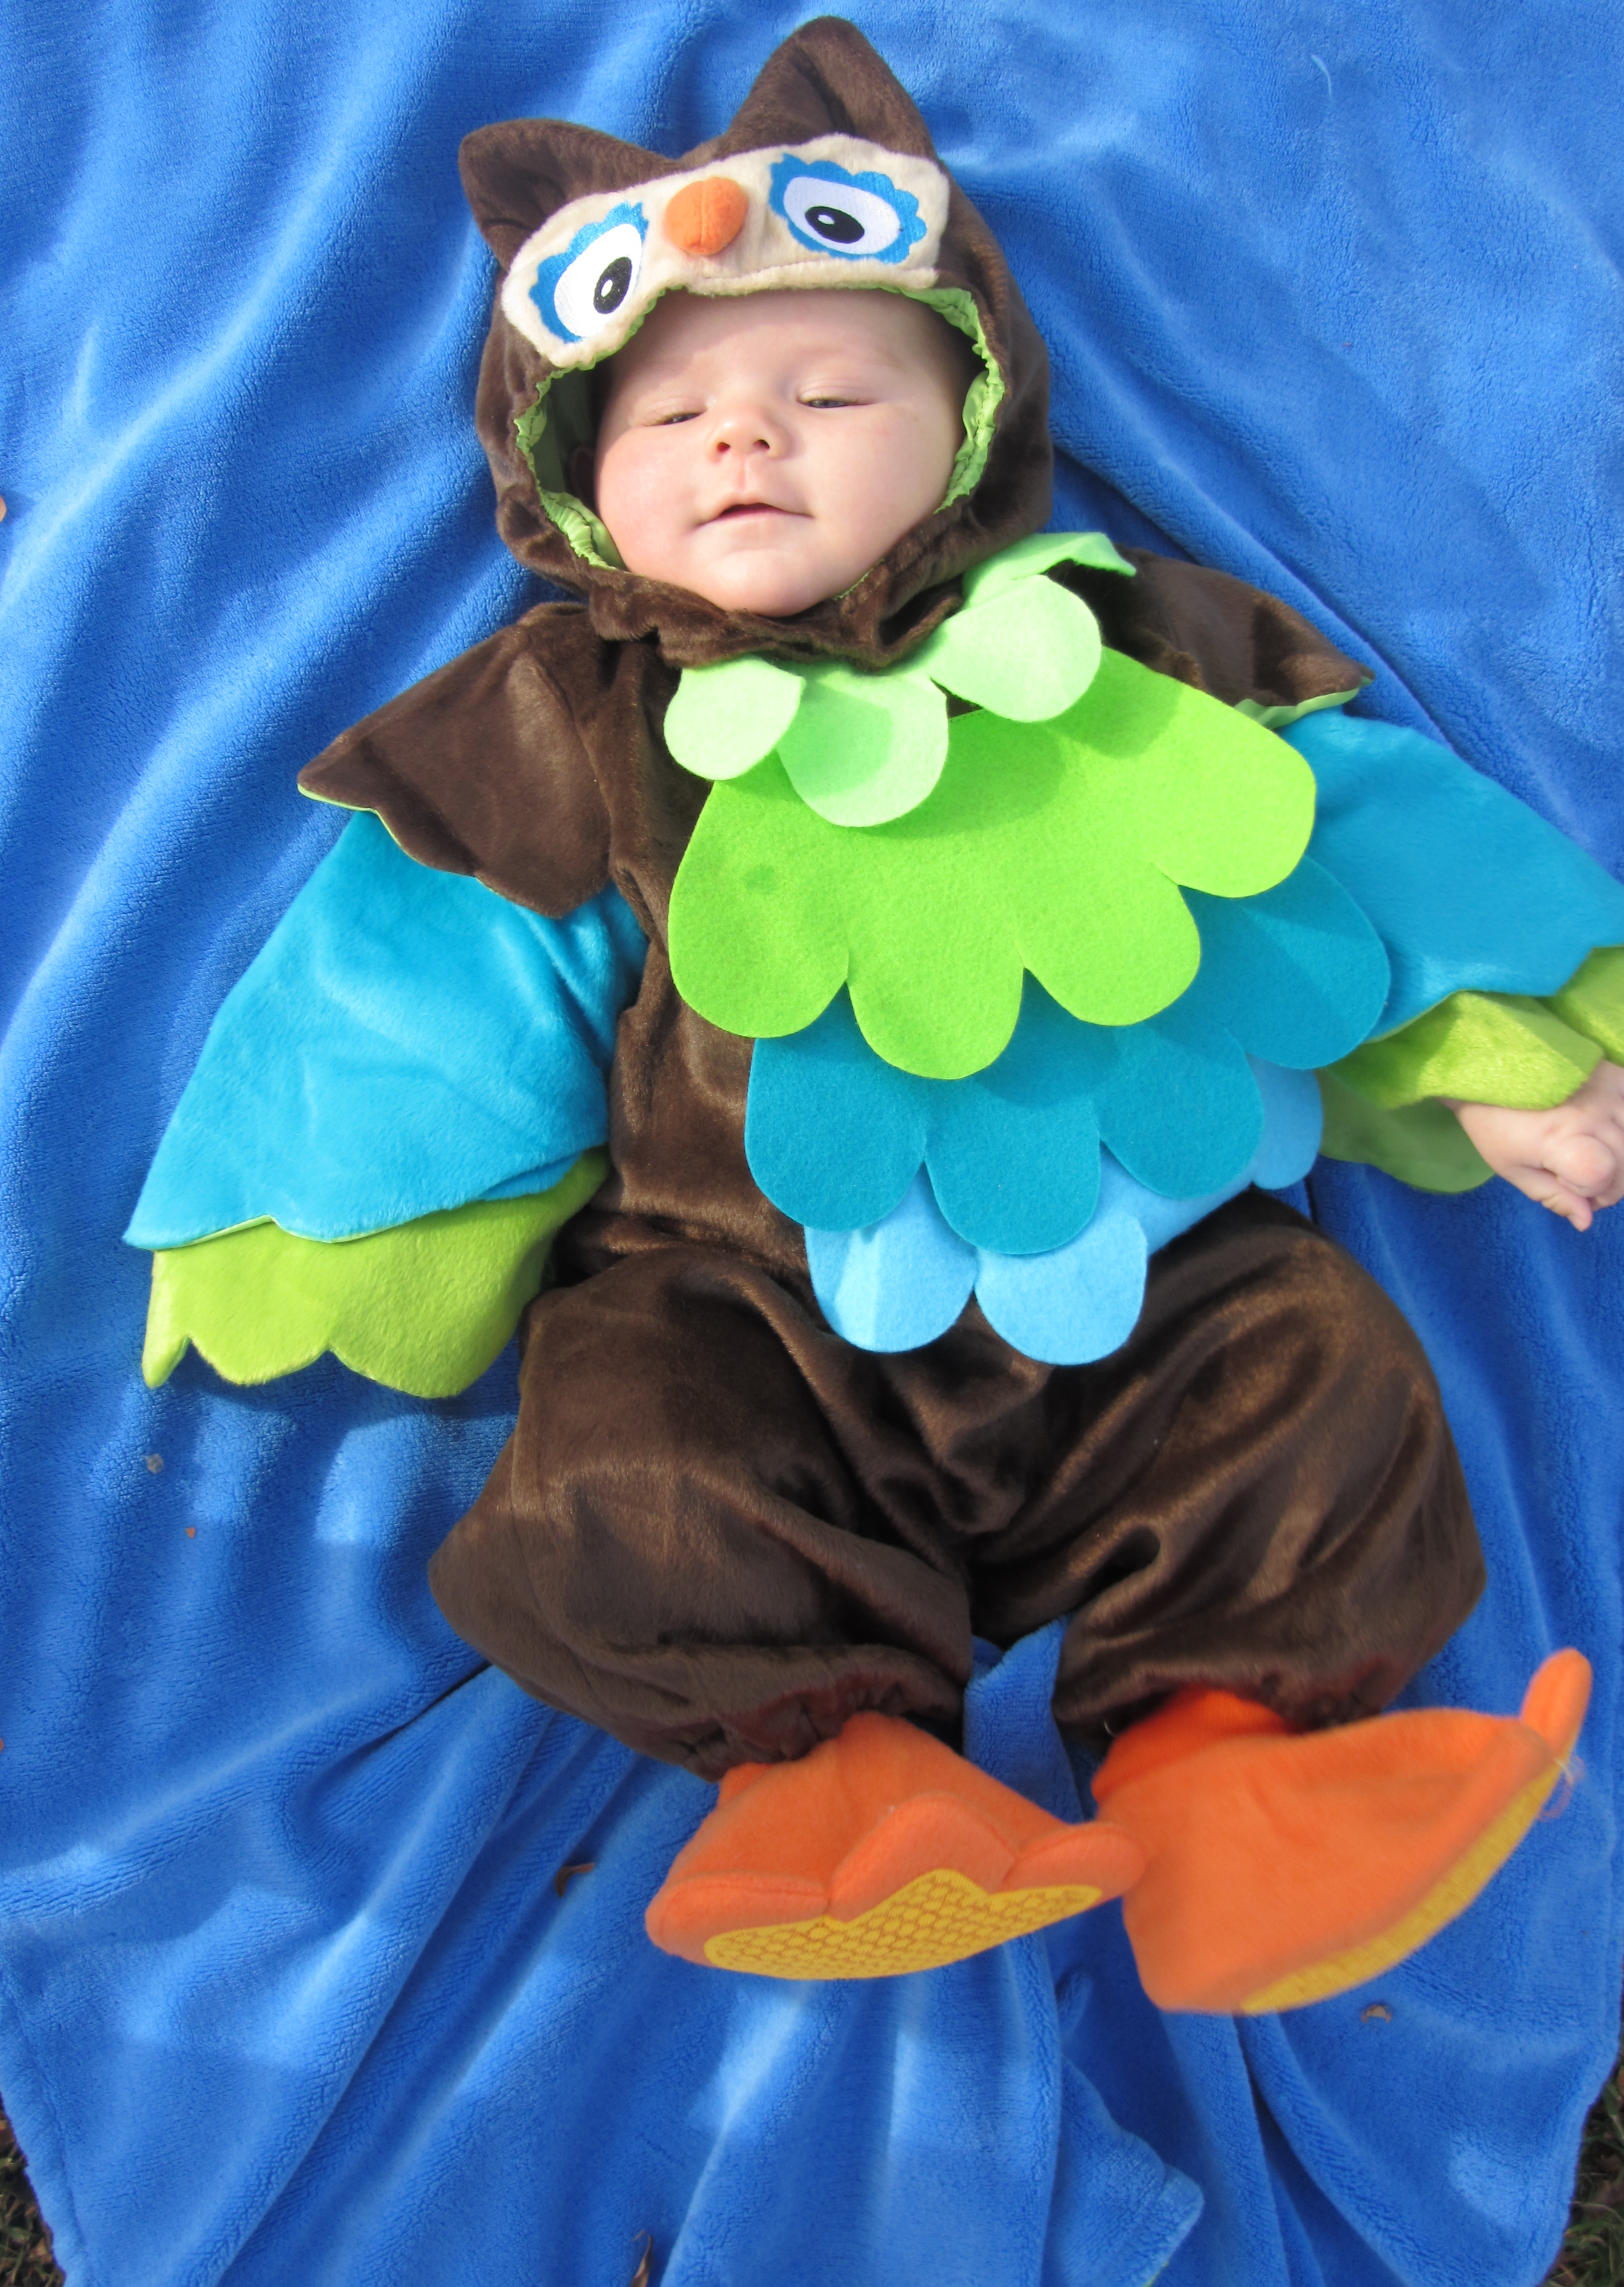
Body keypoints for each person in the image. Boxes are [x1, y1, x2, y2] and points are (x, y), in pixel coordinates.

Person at [128, 19, 1624, 2012]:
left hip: (1158, 1279)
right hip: (746, 1305)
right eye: (669, 417)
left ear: (975, 414)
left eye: (826, 391)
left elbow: (1331, 865)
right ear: (569, 487)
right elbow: (424, 968)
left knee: (1320, 1372)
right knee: (631, 1443)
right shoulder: (571, 719)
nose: (743, 440)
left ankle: (1228, 1774)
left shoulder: (1131, 651)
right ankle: (832, 1776)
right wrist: (342, 1216)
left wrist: (1500, 1055)